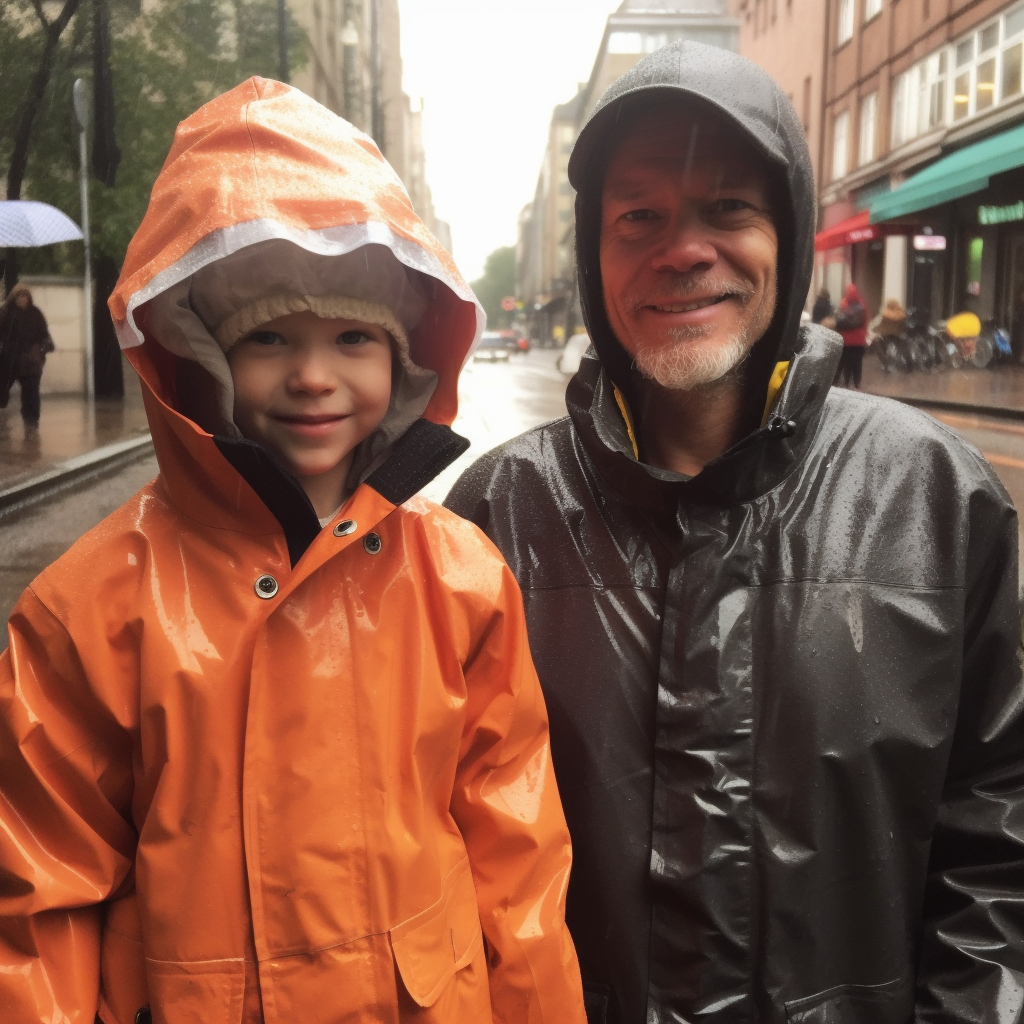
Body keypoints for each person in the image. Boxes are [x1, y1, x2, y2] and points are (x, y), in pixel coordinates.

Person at [446, 40, 1024, 1024]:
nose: (683, 249)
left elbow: (1000, 836)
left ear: (787, 234)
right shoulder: (497, 514)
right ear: (594, 252)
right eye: (640, 217)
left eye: (726, 208)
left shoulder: (932, 495)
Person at [0, 79, 585, 1024]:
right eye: (268, 336)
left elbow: (517, 864)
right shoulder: (92, 607)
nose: (314, 376)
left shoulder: (463, 581)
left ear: (401, 358)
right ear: (204, 354)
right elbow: (36, 900)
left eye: (353, 336)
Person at [0, 283, 54, 429]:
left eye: (25, 296)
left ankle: (31, 424)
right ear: (14, 297)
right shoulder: (6, 313)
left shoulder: (35, 313)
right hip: (9, 360)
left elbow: (44, 334)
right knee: (2, 391)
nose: (23, 299)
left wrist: (42, 350)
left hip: (31, 361)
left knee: (31, 393)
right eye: (20, 296)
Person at [833, 282, 868, 388]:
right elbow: (865, 321)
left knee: (846, 363)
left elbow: (838, 321)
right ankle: (857, 383)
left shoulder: (843, 304)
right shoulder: (862, 305)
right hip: (859, 341)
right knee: (857, 363)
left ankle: (847, 382)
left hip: (846, 340)